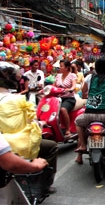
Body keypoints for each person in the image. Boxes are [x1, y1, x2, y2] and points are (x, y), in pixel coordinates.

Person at [0, 61, 58, 193]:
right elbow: (32, 125)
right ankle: (45, 184)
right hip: (17, 146)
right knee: (52, 147)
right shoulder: (17, 100)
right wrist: (41, 124)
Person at [53, 59, 77, 138]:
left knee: (63, 109)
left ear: (66, 68)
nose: (59, 68)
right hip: (58, 99)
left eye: (61, 66)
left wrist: (70, 89)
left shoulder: (72, 75)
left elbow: (74, 86)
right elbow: (53, 86)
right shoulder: (58, 75)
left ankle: (67, 129)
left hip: (69, 98)